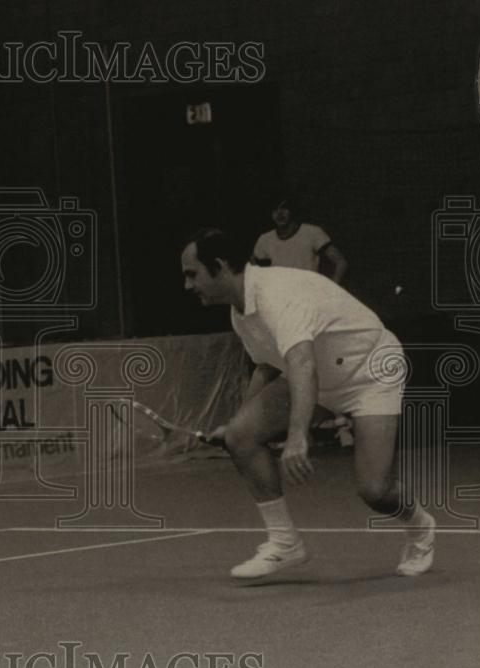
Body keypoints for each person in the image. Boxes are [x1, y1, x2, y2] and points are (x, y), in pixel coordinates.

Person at [180, 228, 434, 580]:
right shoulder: (240, 313)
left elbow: (301, 364)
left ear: (220, 266)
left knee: (375, 490)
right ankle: (286, 544)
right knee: (241, 436)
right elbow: (268, 366)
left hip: (371, 371)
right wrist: (238, 419)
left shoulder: (276, 295)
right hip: (322, 376)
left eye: (192, 274)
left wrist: (297, 435)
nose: (188, 286)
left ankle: (420, 525)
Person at [253, 197, 348, 284]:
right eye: (275, 209)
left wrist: (333, 285)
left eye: (284, 208)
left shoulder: (311, 232)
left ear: (292, 210)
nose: (279, 213)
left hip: (306, 293)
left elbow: (340, 261)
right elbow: (253, 268)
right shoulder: (265, 239)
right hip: (280, 295)